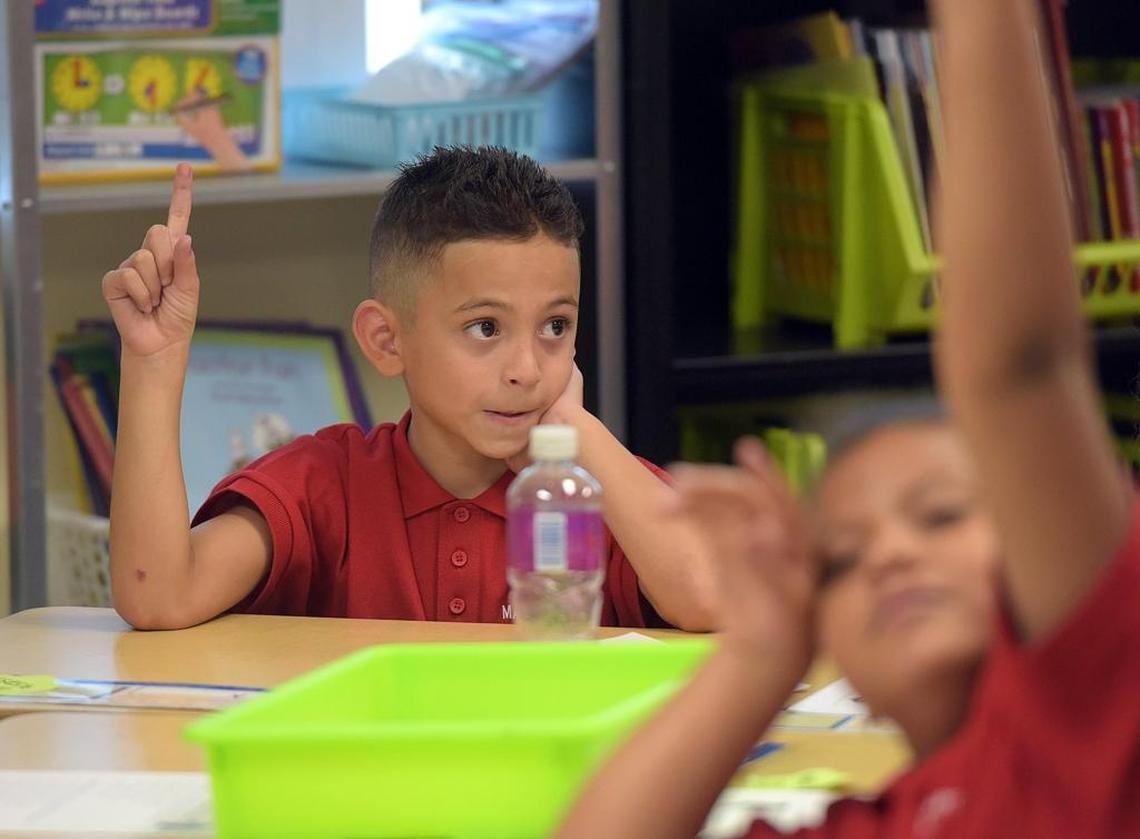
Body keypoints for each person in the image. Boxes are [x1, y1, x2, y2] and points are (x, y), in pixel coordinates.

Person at [556, 0, 1140, 836]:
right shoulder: (878, 819)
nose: (892, 555)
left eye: (940, 515)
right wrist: (757, 659)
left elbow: (1018, 371)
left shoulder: (1095, 724)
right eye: (839, 561)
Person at [103, 146, 717, 632]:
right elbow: (158, 595)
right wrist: (153, 363)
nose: (528, 369)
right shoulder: (324, 485)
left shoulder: (601, 494)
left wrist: (578, 436)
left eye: (556, 326)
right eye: (485, 327)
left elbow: (712, 600)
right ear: (386, 340)